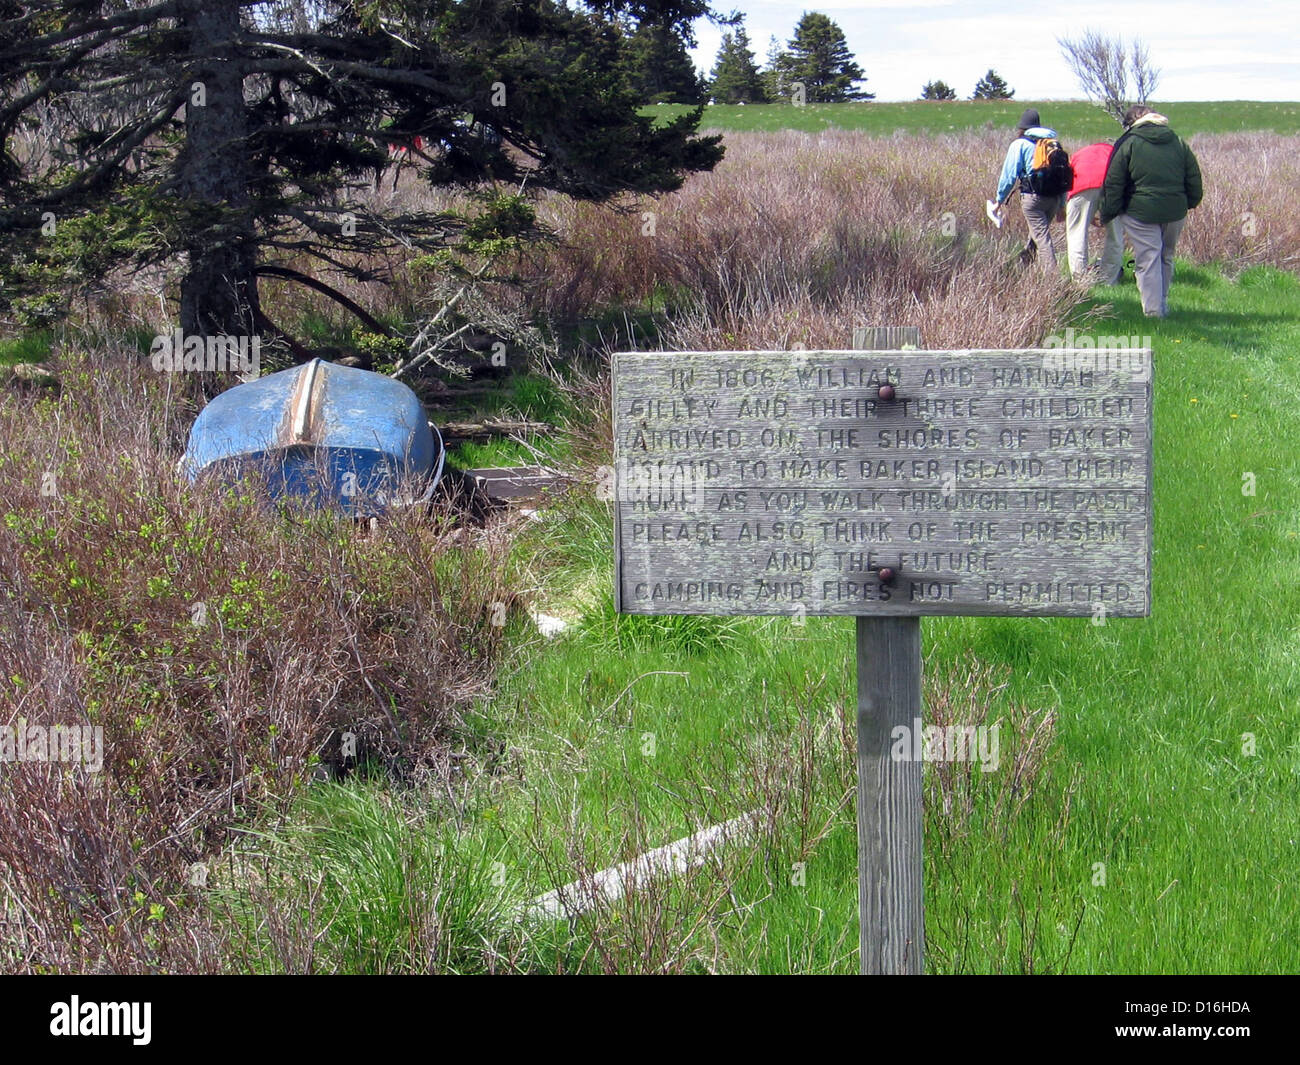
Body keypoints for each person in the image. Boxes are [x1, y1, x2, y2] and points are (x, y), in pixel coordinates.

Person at [1097, 105, 1203, 317]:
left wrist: (1108, 213)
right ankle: (1162, 305)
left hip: (1140, 212)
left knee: (1148, 259)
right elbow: (1193, 178)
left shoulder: (1128, 142)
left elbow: (1114, 181)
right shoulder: (1178, 142)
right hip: (1175, 211)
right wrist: (1188, 203)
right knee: (1166, 256)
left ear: (1131, 123)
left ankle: (1154, 313)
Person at [994, 108, 1066, 273]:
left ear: (1022, 127)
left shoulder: (1019, 144)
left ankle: (1052, 281)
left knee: (1042, 239)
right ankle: (1017, 270)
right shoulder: (1053, 144)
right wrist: (1062, 205)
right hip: (1053, 199)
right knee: (1036, 237)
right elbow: (1062, 176)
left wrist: (999, 201)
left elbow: (1009, 176)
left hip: (1032, 199)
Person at [1065, 141, 1123, 284]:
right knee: (1115, 235)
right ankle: (1108, 279)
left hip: (1081, 187)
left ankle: (1081, 280)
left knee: (1077, 233)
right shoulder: (1116, 152)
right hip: (1112, 187)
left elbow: (1069, 177)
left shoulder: (1080, 154)